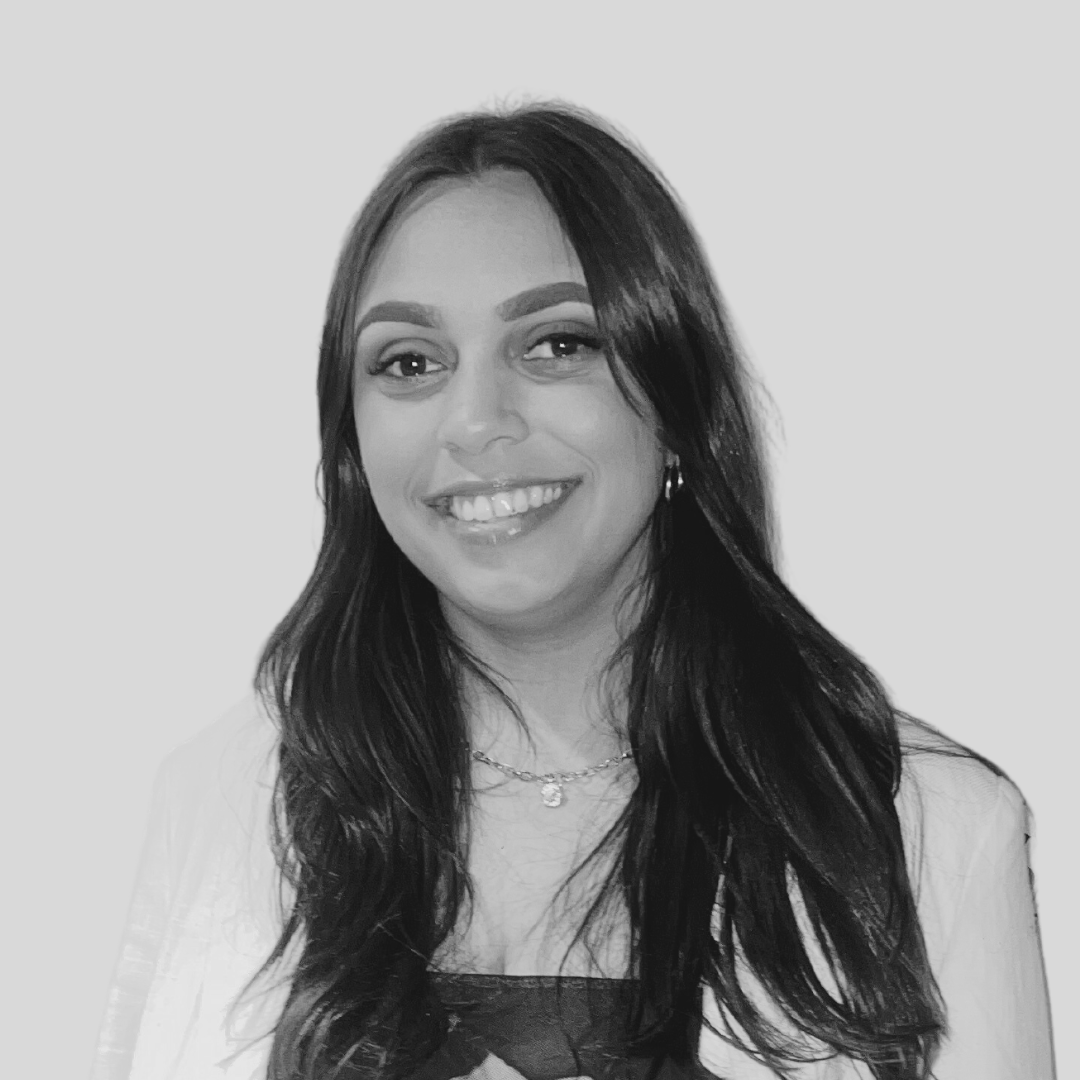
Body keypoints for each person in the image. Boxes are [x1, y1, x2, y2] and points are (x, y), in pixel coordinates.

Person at [92, 104, 1055, 1080]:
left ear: (679, 409)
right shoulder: (219, 802)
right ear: (351, 444)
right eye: (411, 363)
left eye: (555, 344)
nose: (474, 423)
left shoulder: (930, 830)